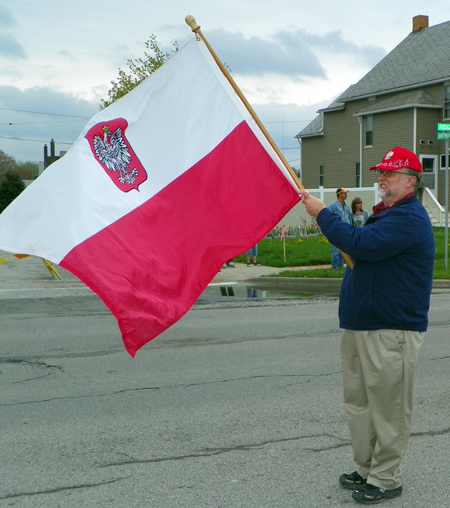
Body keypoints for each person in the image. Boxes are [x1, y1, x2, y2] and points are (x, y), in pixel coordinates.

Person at [299, 147, 434, 505]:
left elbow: (361, 244)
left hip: (392, 329)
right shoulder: (385, 215)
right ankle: (366, 467)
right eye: (381, 173)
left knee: (387, 408)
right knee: (359, 403)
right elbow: (362, 253)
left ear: (411, 181)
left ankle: (387, 477)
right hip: (361, 324)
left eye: (390, 173)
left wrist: (323, 214)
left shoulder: (409, 218)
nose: (382, 178)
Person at [328, 187, 353, 268]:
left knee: (344, 250)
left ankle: (341, 266)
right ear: (339, 194)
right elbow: (328, 216)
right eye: (344, 193)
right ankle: (335, 267)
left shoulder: (346, 206)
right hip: (337, 231)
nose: (346, 195)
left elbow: (349, 218)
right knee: (336, 250)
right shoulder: (333, 205)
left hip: (346, 231)